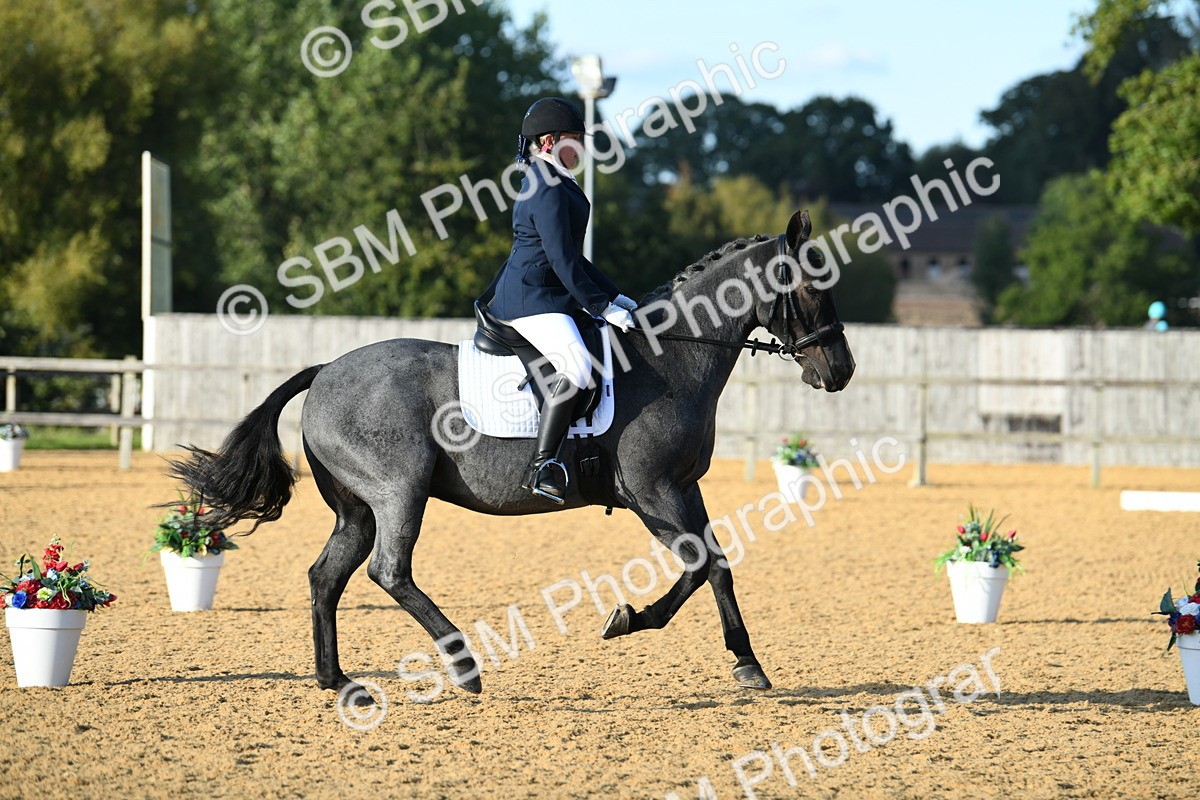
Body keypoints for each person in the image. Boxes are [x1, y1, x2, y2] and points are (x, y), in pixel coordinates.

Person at [478, 98, 637, 505]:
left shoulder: (556, 179)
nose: (582, 148)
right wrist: (601, 307)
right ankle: (543, 464)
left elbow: (574, 257)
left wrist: (616, 296)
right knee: (580, 366)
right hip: (530, 299)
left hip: (548, 294)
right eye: (576, 140)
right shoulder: (545, 186)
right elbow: (561, 259)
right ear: (549, 141)